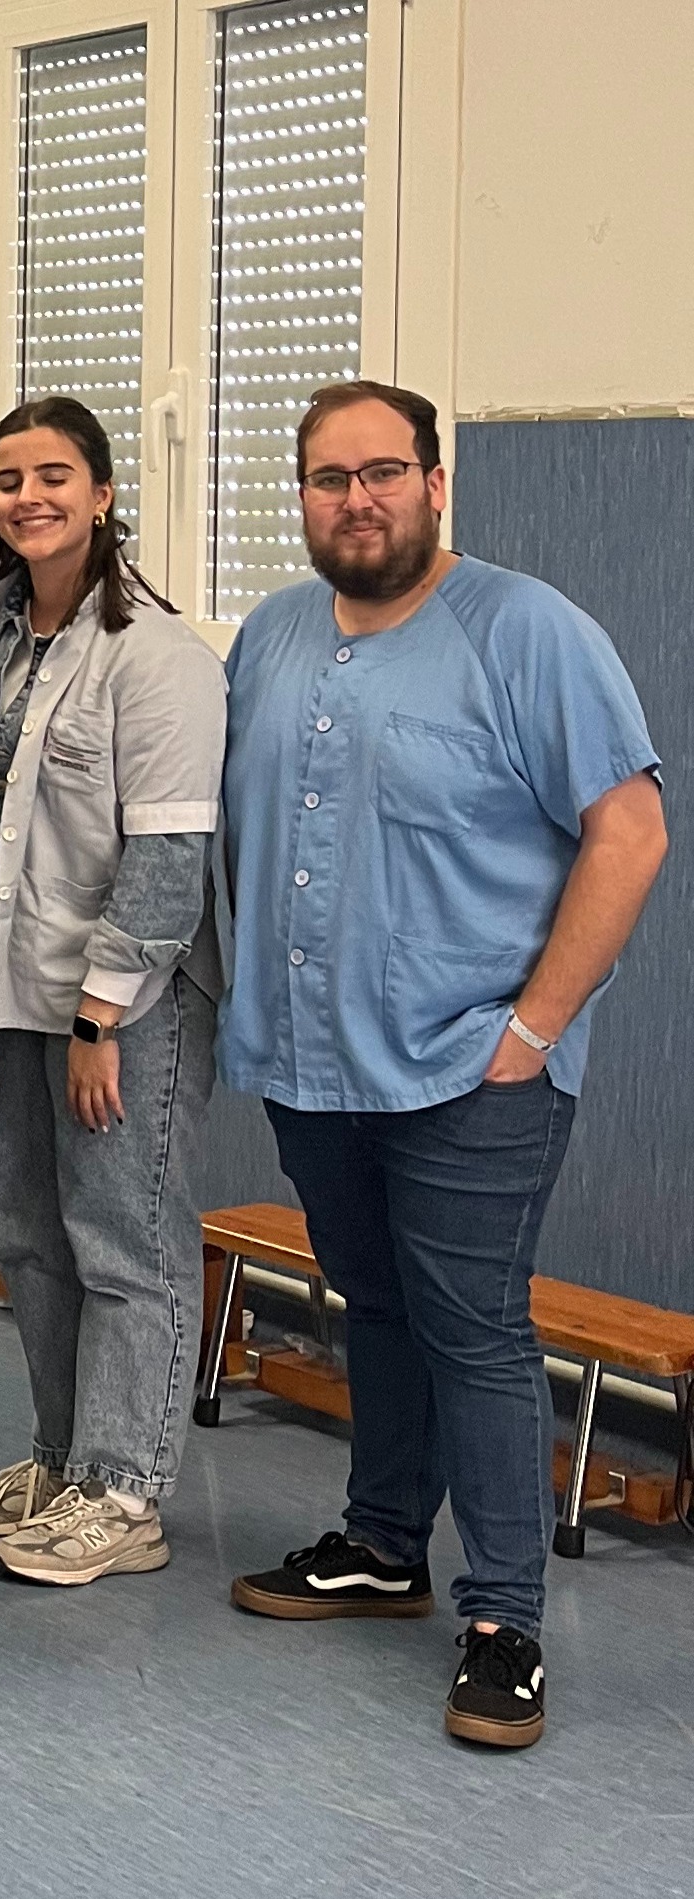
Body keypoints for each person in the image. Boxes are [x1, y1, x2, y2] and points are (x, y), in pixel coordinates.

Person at [219, 381, 666, 1751]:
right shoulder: (275, 632)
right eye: (328, 478)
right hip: (313, 1059)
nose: (357, 500)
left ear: (433, 481)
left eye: (383, 472)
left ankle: (505, 1622)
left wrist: (531, 1032)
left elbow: (632, 830)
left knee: (474, 1327)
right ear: (301, 495)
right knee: (378, 1303)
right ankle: (382, 1543)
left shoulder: (528, 631)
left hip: (472, 1066)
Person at [0, 400, 229, 1586]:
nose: (29, 496)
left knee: (124, 1239)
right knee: (29, 1235)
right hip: (15, 989)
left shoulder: (153, 653)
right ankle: (61, 1458)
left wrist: (103, 1016)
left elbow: (169, 854)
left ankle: (126, 1487)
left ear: (103, 493)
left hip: (125, 1003)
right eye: (9, 478)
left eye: (54, 475)